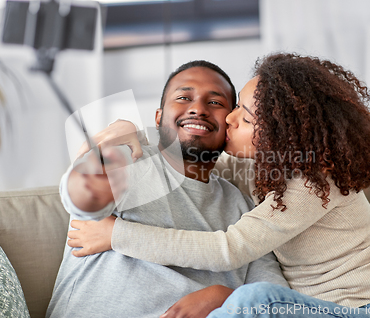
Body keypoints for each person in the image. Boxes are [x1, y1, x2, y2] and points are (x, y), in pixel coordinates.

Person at [68, 53, 370, 318]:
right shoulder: (262, 170)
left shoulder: (312, 183)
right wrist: (134, 133)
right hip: (301, 308)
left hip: (364, 310)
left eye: (244, 118)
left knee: (254, 300)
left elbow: (229, 249)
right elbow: (195, 152)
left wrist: (118, 236)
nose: (228, 118)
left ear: (279, 137)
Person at [46, 60, 288, 318]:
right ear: (159, 117)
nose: (198, 109)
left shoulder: (244, 208)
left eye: (215, 102)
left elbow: (276, 302)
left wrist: (224, 297)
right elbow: (79, 198)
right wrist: (91, 177)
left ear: (229, 126)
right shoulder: (128, 160)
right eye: (184, 97)